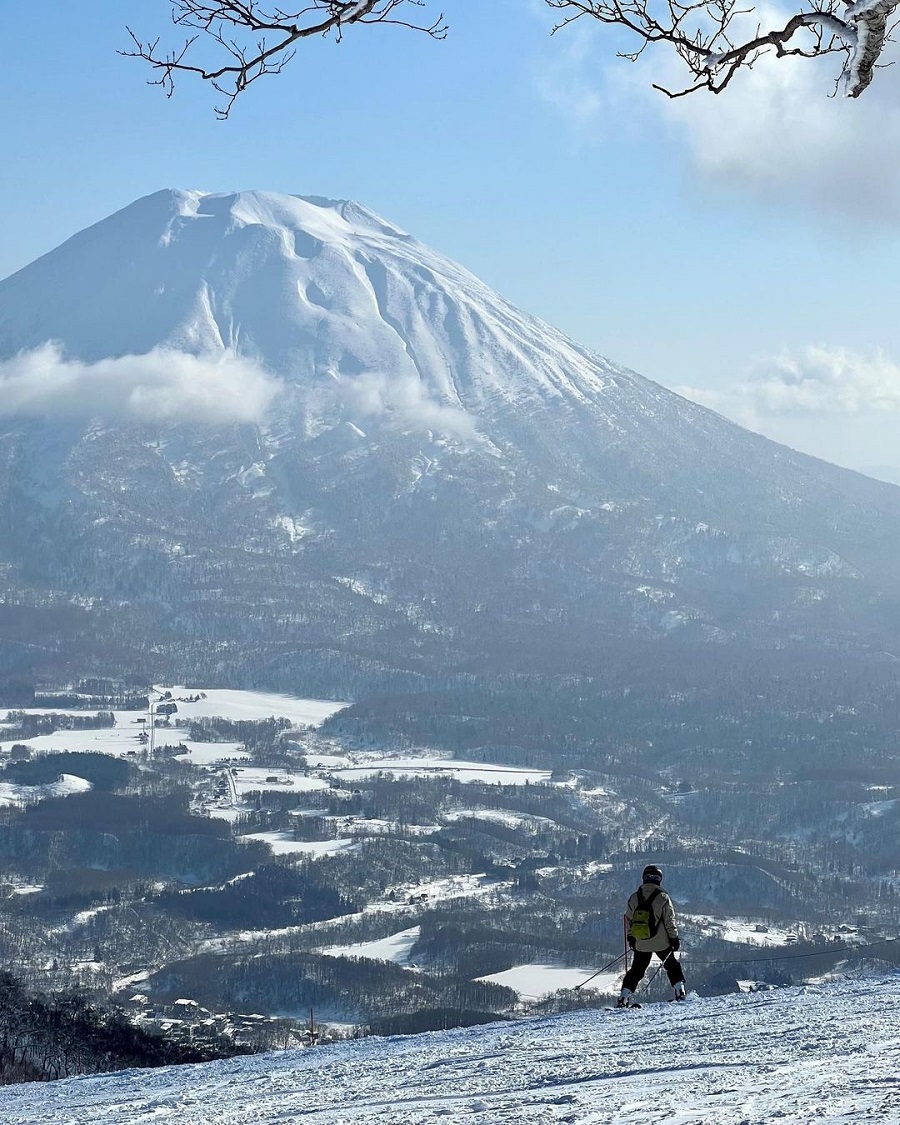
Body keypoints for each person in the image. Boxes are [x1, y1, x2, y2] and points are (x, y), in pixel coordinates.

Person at [617, 864, 686, 1006]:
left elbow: (628, 919)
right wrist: (674, 938)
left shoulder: (634, 897)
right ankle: (680, 992)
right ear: (659, 879)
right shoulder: (663, 897)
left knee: (637, 970)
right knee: (672, 965)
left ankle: (623, 998)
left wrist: (631, 938)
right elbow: (669, 921)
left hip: (641, 942)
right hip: (662, 942)